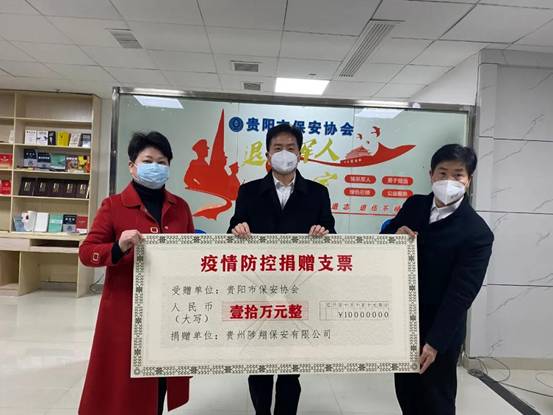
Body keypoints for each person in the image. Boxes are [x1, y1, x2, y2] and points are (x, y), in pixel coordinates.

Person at [79, 132, 194, 415]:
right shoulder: (113, 206)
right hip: (125, 310)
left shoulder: (180, 207)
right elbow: (87, 252)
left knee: (159, 380)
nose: (155, 167)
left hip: (168, 310)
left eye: (162, 162)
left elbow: (191, 252)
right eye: (148, 161)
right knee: (123, 384)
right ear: (132, 166)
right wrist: (118, 247)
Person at [228, 123, 336, 415]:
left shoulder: (318, 193)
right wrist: (238, 229)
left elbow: (332, 237)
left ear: (300, 154)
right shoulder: (249, 191)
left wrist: (323, 234)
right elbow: (233, 231)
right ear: (267, 154)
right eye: (278, 148)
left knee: (291, 368)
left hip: (299, 292)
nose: (284, 153)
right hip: (258, 291)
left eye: (291, 148)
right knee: (259, 366)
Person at [382, 144, 494, 415]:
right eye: (442, 173)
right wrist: (394, 235)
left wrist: (434, 343)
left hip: (440, 330)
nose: (449, 181)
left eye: (458, 175)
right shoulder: (415, 205)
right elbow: (385, 242)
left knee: (436, 400)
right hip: (405, 322)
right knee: (407, 393)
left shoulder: (477, 232)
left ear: (469, 180)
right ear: (431, 174)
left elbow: (461, 294)